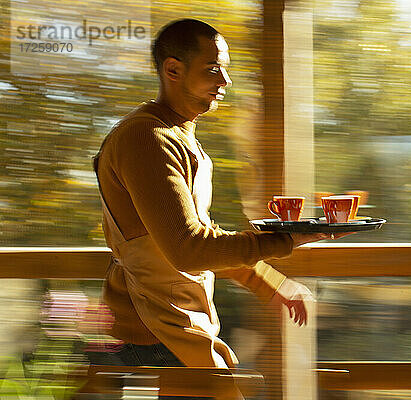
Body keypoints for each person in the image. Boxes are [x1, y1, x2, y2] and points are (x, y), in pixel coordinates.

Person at [92, 18, 328, 379]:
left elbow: (200, 239)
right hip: (150, 339)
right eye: (213, 69)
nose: (225, 82)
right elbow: (188, 248)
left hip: (177, 330)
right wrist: (285, 240)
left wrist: (271, 283)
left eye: (226, 70)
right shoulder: (147, 139)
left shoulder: (179, 138)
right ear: (173, 69)